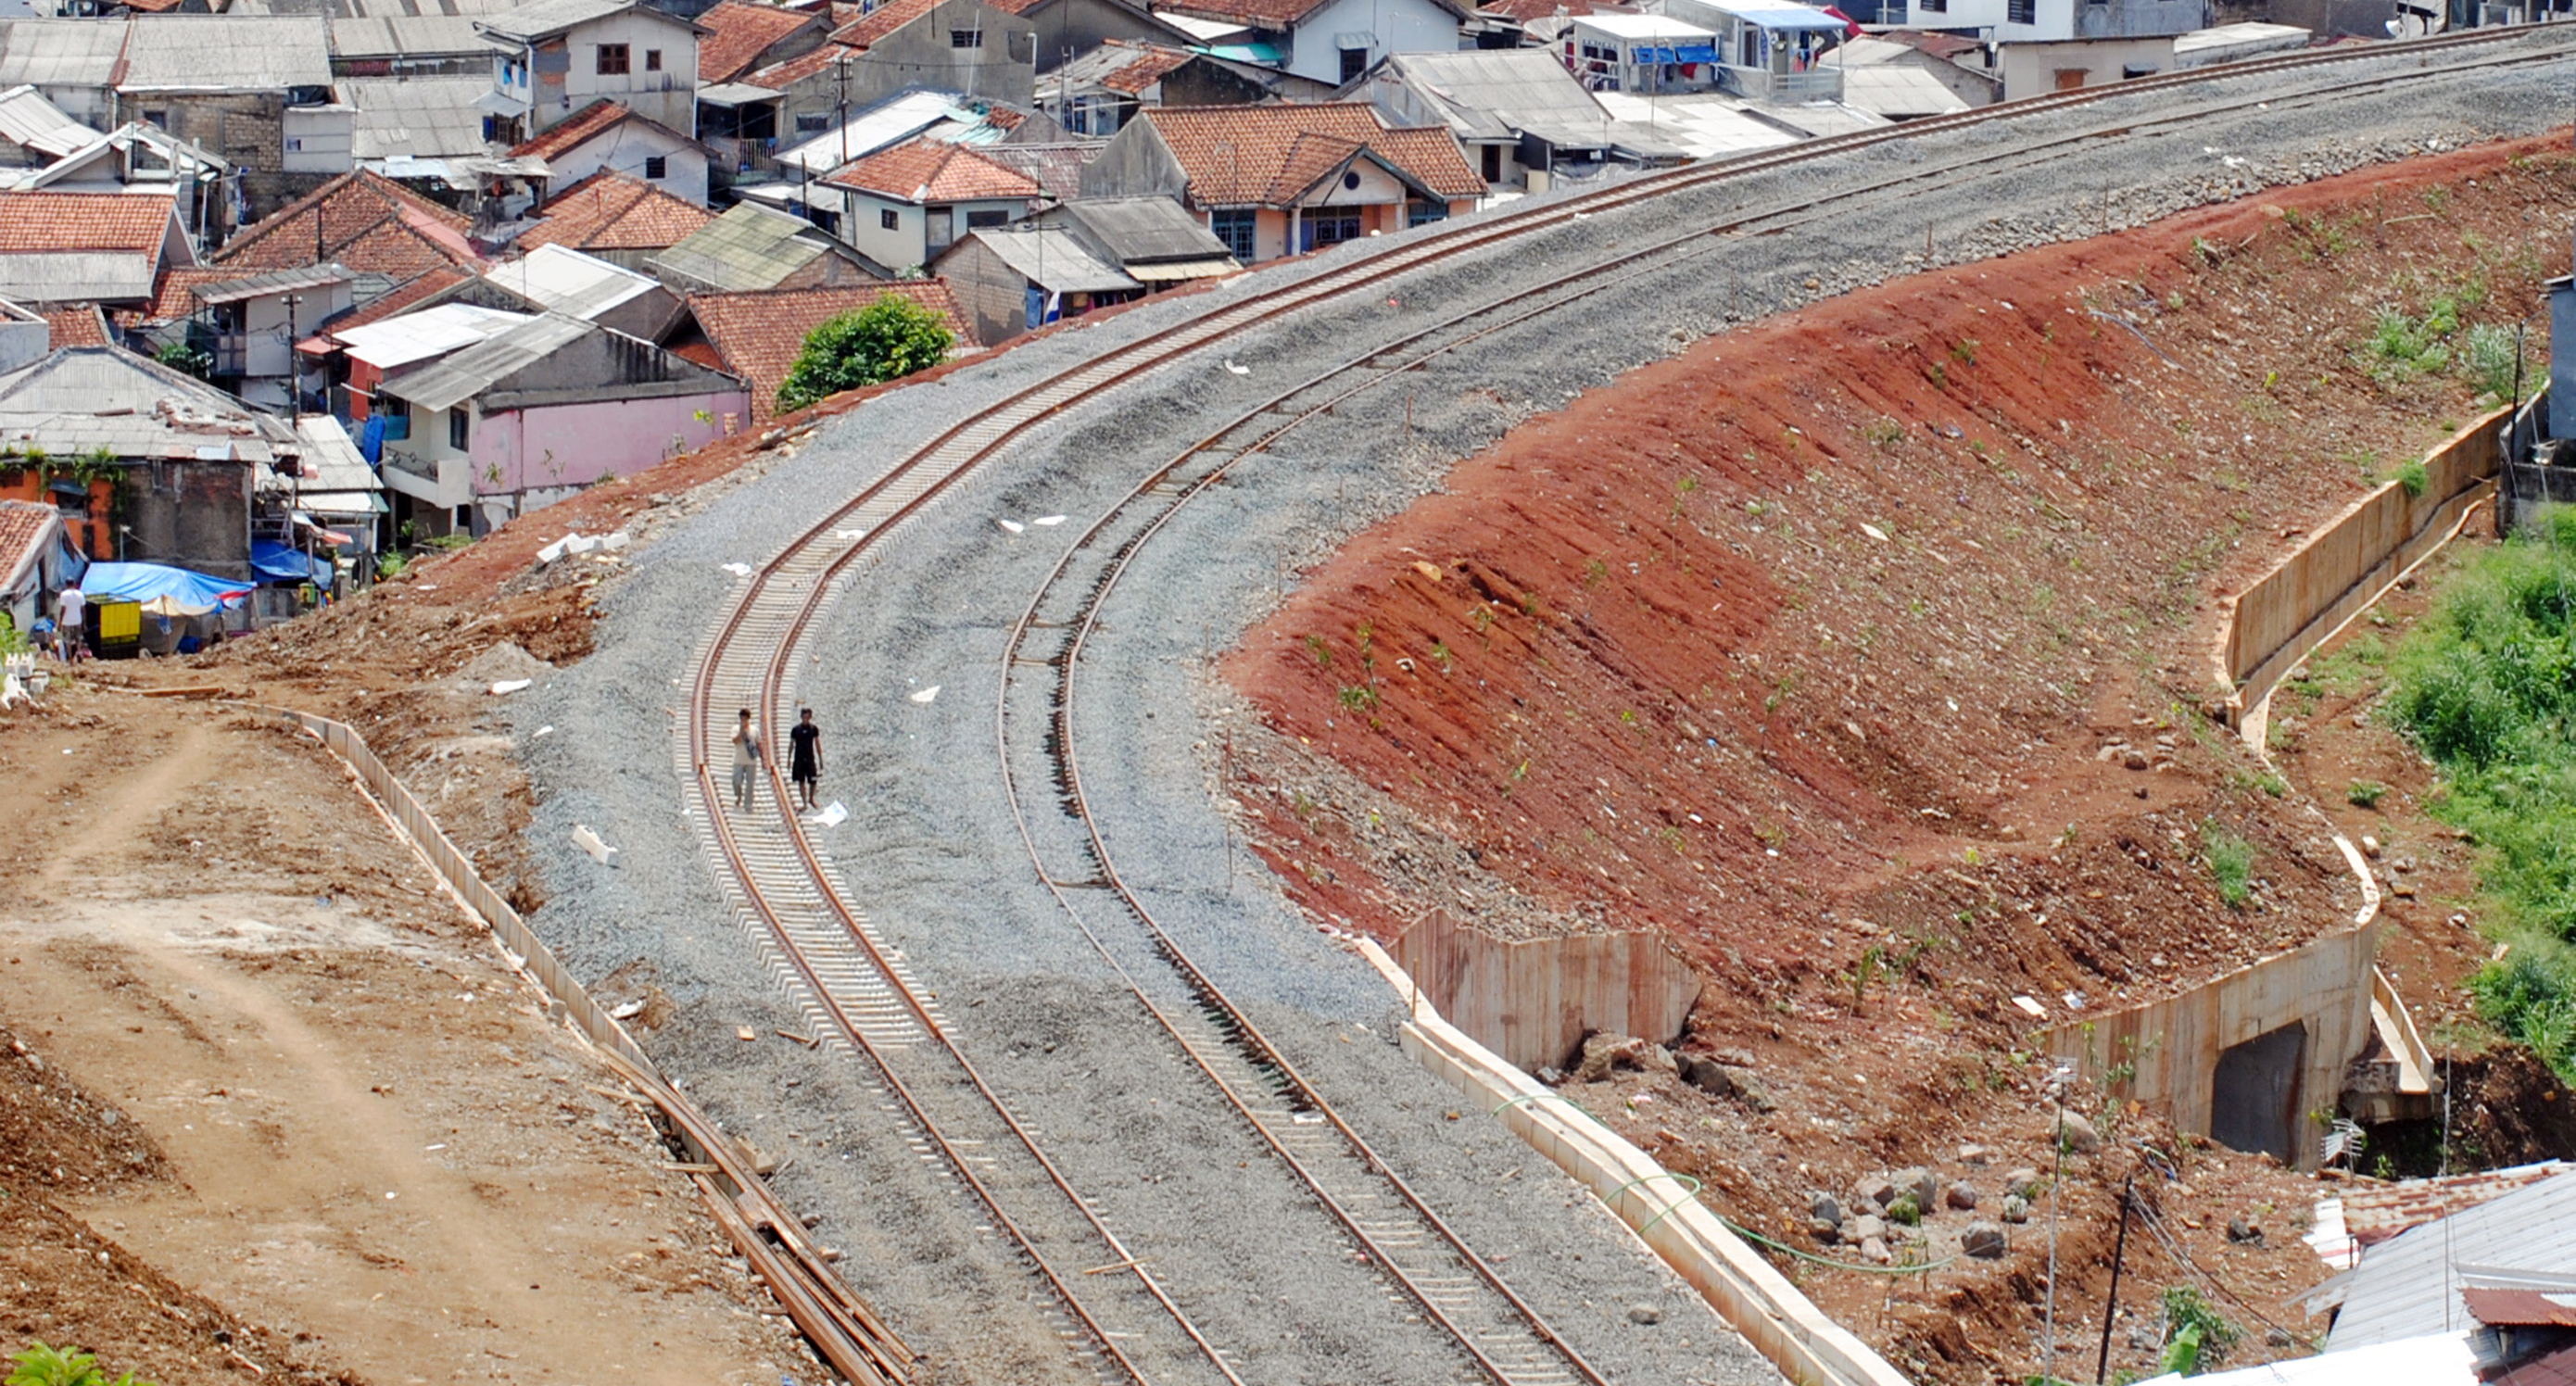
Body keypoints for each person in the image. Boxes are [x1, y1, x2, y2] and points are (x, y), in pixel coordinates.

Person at [789, 707, 823, 812]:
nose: (805, 719)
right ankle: (804, 803)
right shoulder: (795, 730)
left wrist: (820, 758)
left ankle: (811, 799)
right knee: (801, 781)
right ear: (801, 717)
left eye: (807, 717)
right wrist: (788, 758)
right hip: (799, 758)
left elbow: (817, 743)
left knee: (813, 780)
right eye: (804, 717)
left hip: (810, 758)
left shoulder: (813, 729)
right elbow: (791, 744)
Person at [730, 709, 763, 812]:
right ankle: (738, 795)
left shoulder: (755, 730)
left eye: (745, 718)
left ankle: (748, 804)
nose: (743, 720)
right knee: (736, 781)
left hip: (751, 761)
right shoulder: (735, 728)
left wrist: (762, 757)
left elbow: (759, 744)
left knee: (750, 784)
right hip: (738, 760)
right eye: (742, 718)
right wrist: (741, 732)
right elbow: (735, 741)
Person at [53, 583, 85, 663]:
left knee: (68, 641)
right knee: (78, 639)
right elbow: (83, 610)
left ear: (66, 585)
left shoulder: (64, 594)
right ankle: (79, 653)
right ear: (74, 584)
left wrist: (60, 623)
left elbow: (63, 610)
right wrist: (84, 623)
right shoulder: (80, 594)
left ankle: (71, 659)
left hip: (67, 621)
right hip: (78, 620)